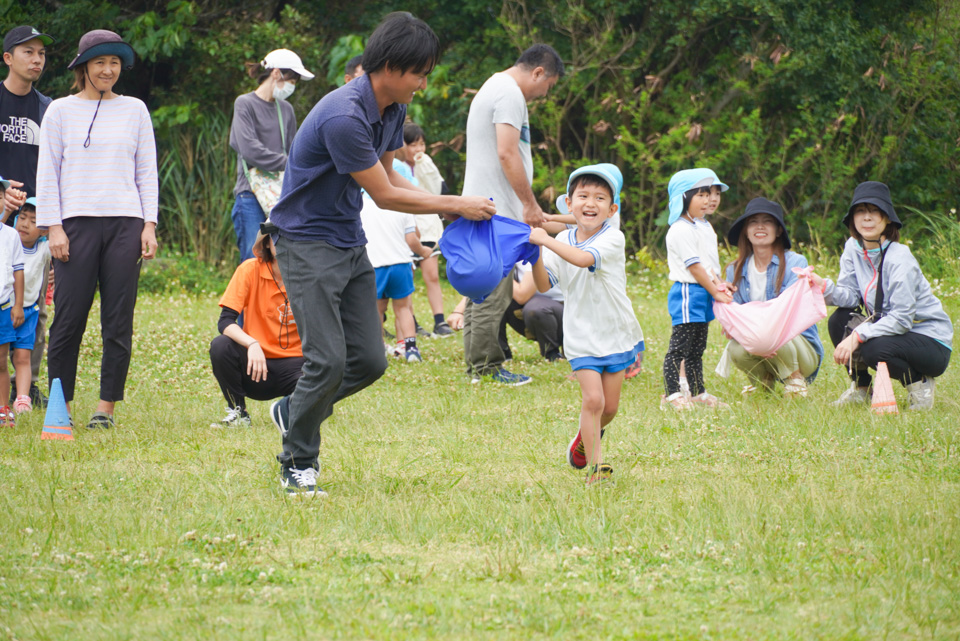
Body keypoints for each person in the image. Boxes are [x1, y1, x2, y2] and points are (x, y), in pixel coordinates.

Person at [267, 12, 495, 497]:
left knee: (370, 361)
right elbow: (388, 196)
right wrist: (456, 204)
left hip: (348, 239)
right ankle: (297, 462)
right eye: (420, 72)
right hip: (306, 241)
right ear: (389, 66)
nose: (424, 83)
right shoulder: (345, 116)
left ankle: (293, 411)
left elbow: (391, 180)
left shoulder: (391, 111)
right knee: (326, 361)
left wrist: (451, 207)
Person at [36, 29, 159, 429]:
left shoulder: (136, 109)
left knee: (118, 318)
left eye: (115, 63)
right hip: (74, 225)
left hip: (126, 223)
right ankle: (61, 406)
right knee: (69, 317)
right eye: (100, 62)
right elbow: (47, 175)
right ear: (83, 66)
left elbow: (147, 172)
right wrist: (53, 227)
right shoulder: (59, 111)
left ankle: (105, 408)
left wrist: (149, 225)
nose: (108, 70)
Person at [529, 164, 644, 485]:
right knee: (593, 401)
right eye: (583, 196)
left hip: (616, 332)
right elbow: (541, 285)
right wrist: (536, 249)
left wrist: (544, 237)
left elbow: (581, 259)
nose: (590, 203)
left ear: (612, 209)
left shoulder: (613, 238)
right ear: (568, 202)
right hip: (580, 333)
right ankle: (597, 468)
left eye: (599, 197)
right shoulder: (561, 238)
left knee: (610, 408)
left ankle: (583, 439)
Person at [461, 43, 564, 386]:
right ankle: (487, 368)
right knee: (494, 290)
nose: (543, 95)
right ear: (538, 72)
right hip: (496, 210)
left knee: (482, 288)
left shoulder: (494, 87)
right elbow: (507, 153)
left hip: (484, 206)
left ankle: (477, 366)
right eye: (547, 86)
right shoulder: (509, 94)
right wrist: (530, 204)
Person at [809, 181, 952, 410]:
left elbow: (903, 319)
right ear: (852, 218)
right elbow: (851, 296)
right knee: (839, 320)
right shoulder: (852, 248)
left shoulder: (900, 258)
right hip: (893, 333)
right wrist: (821, 286)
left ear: (887, 219)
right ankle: (862, 389)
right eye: (860, 211)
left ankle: (920, 385)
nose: (867, 217)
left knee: (873, 348)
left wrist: (858, 335)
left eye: (874, 210)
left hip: (930, 342)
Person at [2, 25, 55, 407]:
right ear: (8, 58)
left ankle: (27, 385)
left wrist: (52, 228)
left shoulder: (49, 108)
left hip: (32, 224)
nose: (36, 59)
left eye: (41, 53)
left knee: (33, 303)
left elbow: (58, 168)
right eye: (27, 52)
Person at [721, 197, 823, 397]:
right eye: (753, 222)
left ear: (778, 230)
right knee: (735, 348)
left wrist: (762, 330)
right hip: (757, 339)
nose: (760, 226)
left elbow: (789, 314)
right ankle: (762, 384)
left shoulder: (795, 262)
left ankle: (794, 380)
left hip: (798, 347)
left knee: (774, 334)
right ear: (746, 231)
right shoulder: (735, 270)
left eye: (767, 221)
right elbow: (734, 316)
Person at [209, 227, 303, 428]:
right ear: (267, 243)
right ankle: (238, 412)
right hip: (255, 366)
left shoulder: (310, 275)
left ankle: (295, 410)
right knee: (221, 345)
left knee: (324, 364)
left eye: (291, 238)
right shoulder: (249, 269)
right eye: (277, 238)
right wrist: (252, 344)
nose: (284, 244)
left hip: (297, 366)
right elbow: (225, 321)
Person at [228, 49, 314, 262]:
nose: (292, 86)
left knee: (279, 259)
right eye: (291, 80)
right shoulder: (244, 103)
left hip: (278, 195)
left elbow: (294, 150)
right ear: (276, 73)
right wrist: (290, 163)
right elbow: (250, 150)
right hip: (249, 195)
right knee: (253, 260)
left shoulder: (286, 109)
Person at [661, 168, 733, 410]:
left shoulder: (703, 226)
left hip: (704, 292)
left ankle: (697, 392)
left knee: (697, 347)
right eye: (700, 195)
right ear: (683, 197)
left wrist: (720, 284)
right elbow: (694, 266)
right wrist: (715, 291)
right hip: (688, 292)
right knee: (679, 347)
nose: (707, 200)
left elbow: (708, 265)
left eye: (708, 194)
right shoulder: (680, 229)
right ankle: (672, 394)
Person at [360, 164, 434, 363]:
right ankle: (410, 348)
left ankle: (378, 347)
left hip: (374, 266)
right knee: (403, 308)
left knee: (376, 309)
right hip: (401, 264)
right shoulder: (402, 206)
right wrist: (424, 251)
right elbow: (412, 240)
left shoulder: (361, 205)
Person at [396, 121, 453, 337]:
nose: (419, 149)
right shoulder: (394, 166)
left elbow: (440, 189)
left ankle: (440, 320)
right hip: (406, 227)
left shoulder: (426, 164)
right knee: (406, 279)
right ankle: (412, 322)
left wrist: (424, 165)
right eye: (413, 145)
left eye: (422, 144)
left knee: (432, 276)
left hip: (428, 227)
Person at [10, 197, 49, 414]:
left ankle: (23, 396)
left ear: (44, 231)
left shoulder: (44, 250)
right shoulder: (7, 242)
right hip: (5, 308)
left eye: (33, 221)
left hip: (28, 312)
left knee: (23, 356)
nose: (25, 224)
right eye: (22, 218)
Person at [498, 262, 564, 362]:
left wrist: (494, 273)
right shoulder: (512, 251)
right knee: (492, 295)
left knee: (536, 309)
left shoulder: (539, 250)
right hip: (532, 307)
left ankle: (552, 353)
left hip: (560, 312)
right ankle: (501, 352)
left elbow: (522, 295)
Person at [0, 175, 23, 425]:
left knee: (1, 362)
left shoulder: (10, 235)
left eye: (0, 197)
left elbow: (18, 270)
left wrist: (18, 305)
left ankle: (3, 408)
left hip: (3, 307)